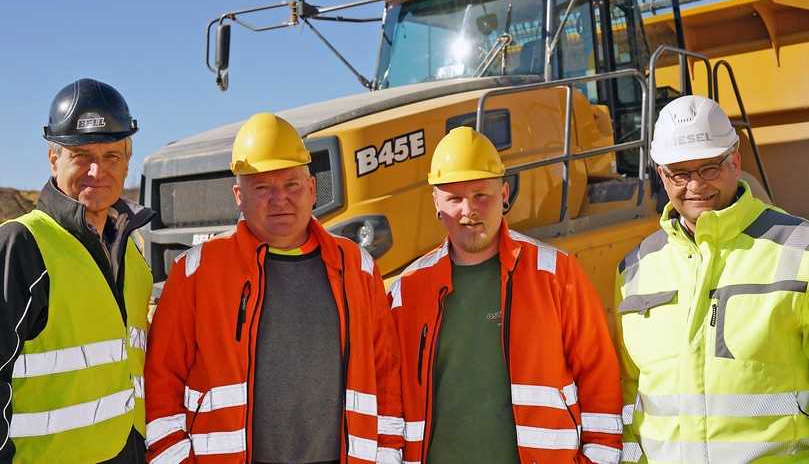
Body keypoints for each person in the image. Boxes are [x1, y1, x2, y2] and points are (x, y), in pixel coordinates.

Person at [145, 112, 402, 464]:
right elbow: (161, 384)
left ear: (313, 189)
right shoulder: (197, 271)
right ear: (239, 195)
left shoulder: (356, 267)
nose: (279, 199)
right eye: (262, 187)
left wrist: (387, 457)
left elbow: (387, 376)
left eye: (292, 185)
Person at [388, 126, 623, 464]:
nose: (468, 210)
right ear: (436, 203)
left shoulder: (556, 274)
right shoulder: (406, 292)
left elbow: (600, 382)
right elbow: (389, 401)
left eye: (481, 194)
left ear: (504, 193)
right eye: (454, 198)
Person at [617, 95, 809, 463]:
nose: (695, 186)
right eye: (680, 173)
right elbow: (631, 399)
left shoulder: (800, 253)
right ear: (662, 175)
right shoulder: (634, 272)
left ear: (735, 161)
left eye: (709, 168)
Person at [0, 78, 153, 463]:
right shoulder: (20, 245)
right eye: (81, 155)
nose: (97, 170)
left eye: (112, 156)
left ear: (128, 160)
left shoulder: (131, 251)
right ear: (54, 159)